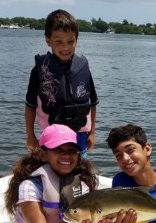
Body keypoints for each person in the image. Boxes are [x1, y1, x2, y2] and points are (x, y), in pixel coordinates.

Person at [24, 9, 99, 156]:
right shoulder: (39, 70)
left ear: (76, 40)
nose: (65, 47)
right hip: (52, 135)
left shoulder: (83, 68)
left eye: (70, 41)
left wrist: (92, 132)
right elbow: (30, 105)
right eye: (59, 42)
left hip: (79, 135)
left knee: (78, 170)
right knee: (52, 169)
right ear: (48, 41)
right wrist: (30, 135)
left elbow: (93, 103)